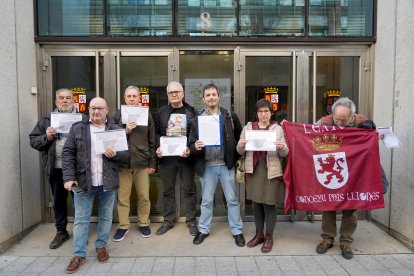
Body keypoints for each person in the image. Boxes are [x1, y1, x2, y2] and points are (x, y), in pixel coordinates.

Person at [62, 97, 129, 274]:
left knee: (106, 217)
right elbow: (67, 153)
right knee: (81, 219)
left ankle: (101, 246)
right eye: (93, 108)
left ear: (107, 110)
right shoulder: (78, 128)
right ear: (88, 110)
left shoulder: (115, 129)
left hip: (107, 181)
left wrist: (115, 155)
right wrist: (68, 177)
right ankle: (78, 254)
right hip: (84, 182)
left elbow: (126, 156)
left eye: (100, 108)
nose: (96, 111)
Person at [189, 83, 245, 247]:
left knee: (232, 200)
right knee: (206, 201)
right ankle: (203, 230)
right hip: (207, 167)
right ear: (204, 99)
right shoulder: (198, 120)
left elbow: (239, 135)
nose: (211, 97)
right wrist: (195, 146)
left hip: (226, 165)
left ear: (219, 97)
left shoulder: (229, 116)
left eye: (214, 94)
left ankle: (237, 231)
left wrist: (235, 155)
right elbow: (191, 143)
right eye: (208, 95)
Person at [29, 88, 83, 249]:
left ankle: (80, 233)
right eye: (61, 98)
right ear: (56, 102)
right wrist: (47, 136)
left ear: (73, 101)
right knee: (59, 202)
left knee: (79, 201)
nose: (65, 101)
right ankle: (61, 231)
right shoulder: (46, 121)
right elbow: (33, 141)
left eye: (68, 98)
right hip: (56, 169)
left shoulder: (82, 119)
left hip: (77, 170)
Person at [315, 97, 368, 260]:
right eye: (337, 119)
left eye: (344, 120)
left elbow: (371, 143)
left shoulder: (362, 122)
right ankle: (327, 238)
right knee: (329, 204)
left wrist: (376, 135)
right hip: (332, 167)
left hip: (354, 170)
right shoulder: (323, 122)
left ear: (352, 116)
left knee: (351, 206)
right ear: (332, 113)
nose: (340, 123)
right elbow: (308, 138)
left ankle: (346, 241)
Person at [236, 99, 288, 253]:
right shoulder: (248, 128)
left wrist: (282, 147)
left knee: (269, 204)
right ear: (257, 113)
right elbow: (239, 151)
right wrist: (241, 144)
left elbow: (285, 153)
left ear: (271, 113)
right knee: (256, 204)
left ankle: (269, 237)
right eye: (260, 111)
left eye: (266, 111)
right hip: (254, 170)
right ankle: (259, 234)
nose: (263, 114)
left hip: (271, 172)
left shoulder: (277, 129)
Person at [113, 86, 156, 241]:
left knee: (144, 196)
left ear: (139, 98)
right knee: (123, 198)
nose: (131, 99)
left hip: (142, 162)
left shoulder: (146, 115)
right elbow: (111, 136)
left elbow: (152, 140)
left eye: (134, 96)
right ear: (125, 98)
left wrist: (153, 163)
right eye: (129, 96)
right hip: (123, 163)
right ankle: (123, 226)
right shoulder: (118, 115)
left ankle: (144, 223)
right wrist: (125, 130)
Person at [155, 81, 199, 236]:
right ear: (168, 95)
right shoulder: (161, 112)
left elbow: (195, 135)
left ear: (183, 93)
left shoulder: (192, 111)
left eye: (177, 92)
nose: (174, 94)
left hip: (185, 158)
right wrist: (158, 148)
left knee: (189, 190)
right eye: (170, 92)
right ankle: (168, 221)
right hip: (167, 159)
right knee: (167, 191)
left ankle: (191, 221)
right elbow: (156, 133)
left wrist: (190, 148)